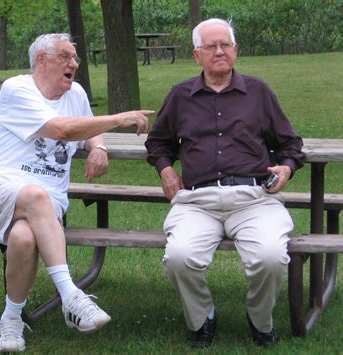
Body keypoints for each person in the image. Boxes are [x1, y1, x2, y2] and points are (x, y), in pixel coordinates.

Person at [0, 33, 153, 353]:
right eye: (66, 57)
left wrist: (99, 146)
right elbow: (62, 130)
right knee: (35, 195)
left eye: (75, 58)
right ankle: (71, 295)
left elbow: (85, 127)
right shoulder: (17, 88)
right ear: (42, 60)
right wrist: (119, 119)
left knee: (23, 239)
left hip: (43, 201)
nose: (74, 64)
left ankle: (11, 319)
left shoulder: (75, 93)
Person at [145, 18, 305, 348]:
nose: (219, 51)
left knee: (272, 256)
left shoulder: (258, 92)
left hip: (253, 198)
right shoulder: (180, 96)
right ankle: (202, 318)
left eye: (225, 45)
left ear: (235, 50)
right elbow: (157, 143)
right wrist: (166, 169)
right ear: (196, 55)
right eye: (210, 46)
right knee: (179, 256)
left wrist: (287, 169)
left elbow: (291, 145)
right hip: (197, 201)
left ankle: (260, 320)